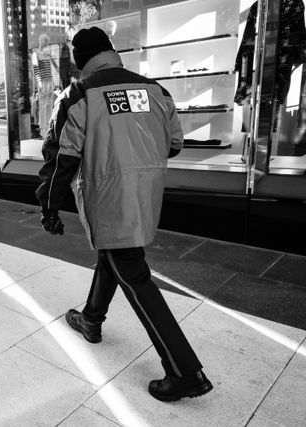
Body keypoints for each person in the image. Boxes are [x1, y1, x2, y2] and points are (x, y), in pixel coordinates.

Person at [35, 27, 213, 402]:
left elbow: (61, 158)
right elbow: (175, 144)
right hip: (146, 197)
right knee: (115, 257)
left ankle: (185, 370)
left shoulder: (78, 96)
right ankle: (91, 318)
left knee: (131, 271)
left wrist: (49, 205)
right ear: (111, 52)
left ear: (79, 60)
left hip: (107, 197)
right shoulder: (155, 91)